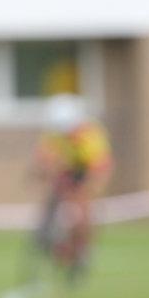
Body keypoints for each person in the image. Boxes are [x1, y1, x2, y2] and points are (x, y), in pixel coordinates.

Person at [33, 94, 112, 277]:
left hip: (86, 171)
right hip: (65, 170)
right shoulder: (52, 135)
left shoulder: (90, 136)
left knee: (83, 211)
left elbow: (99, 171)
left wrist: (89, 192)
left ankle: (82, 249)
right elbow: (43, 161)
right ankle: (50, 237)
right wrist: (45, 174)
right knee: (53, 202)